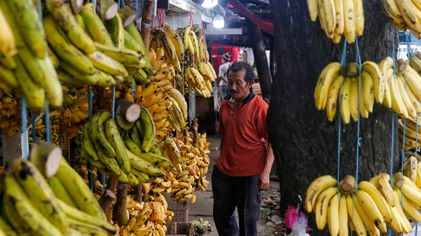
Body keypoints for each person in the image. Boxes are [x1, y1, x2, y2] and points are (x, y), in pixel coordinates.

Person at [212, 62, 274, 236]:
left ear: (250, 83)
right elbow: (224, 135)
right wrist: (221, 159)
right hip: (224, 174)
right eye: (230, 81)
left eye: (238, 82)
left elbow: (272, 141)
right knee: (221, 217)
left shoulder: (260, 108)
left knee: (248, 223)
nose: (233, 87)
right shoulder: (225, 105)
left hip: (250, 177)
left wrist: (266, 172)